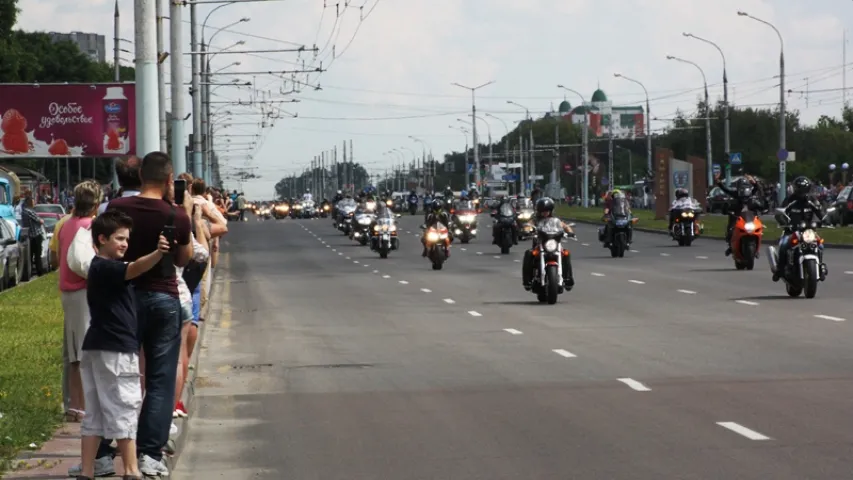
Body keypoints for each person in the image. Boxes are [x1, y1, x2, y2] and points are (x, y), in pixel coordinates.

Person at [107, 151, 192, 477]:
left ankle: (107, 449)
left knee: (118, 375)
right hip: (162, 298)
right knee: (159, 379)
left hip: (123, 299)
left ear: (140, 176)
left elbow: (104, 249)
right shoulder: (176, 215)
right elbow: (184, 260)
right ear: (170, 180)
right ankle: (149, 455)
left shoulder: (116, 209)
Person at [77, 210, 170, 480]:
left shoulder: (100, 268)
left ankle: (86, 471)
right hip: (115, 349)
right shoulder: (106, 267)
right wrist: (159, 253)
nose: (125, 244)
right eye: (119, 239)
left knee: (95, 414)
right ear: (102, 239)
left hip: (97, 346)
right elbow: (136, 268)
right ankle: (131, 471)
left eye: (127, 239)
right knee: (124, 408)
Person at [773, 176, 824, 282]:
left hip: (808, 231)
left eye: (805, 189)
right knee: (783, 246)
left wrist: (824, 220)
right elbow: (781, 212)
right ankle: (780, 270)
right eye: (800, 189)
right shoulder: (790, 200)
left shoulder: (812, 200)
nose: (802, 192)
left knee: (820, 245)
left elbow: (820, 213)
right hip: (791, 230)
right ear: (795, 188)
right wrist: (783, 222)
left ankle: (820, 268)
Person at [522, 197, 575, 290]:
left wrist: (570, 232)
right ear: (539, 211)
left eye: (547, 210)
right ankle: (527, 280)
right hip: (540, 244)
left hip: (554, 243)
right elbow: (528, 225)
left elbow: (565, 226)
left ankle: (568, 278)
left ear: (551, 210)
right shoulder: (535, 219)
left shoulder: (556, 220)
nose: (545, 213)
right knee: (529, 254)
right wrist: (527, 231)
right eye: (543, 211)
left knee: (566, 253)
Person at [715, 173, 764, 256]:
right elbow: (725, 190)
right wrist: (718, 182)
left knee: (759, 228)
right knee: (731, 227)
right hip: (738, 218)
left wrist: (754, 182)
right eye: (742, 187)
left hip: (750, 218)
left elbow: (757, 189)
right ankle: (731, 246)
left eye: (745, 186)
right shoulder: (735, 196)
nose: (744, 189)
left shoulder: (751, 198)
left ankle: (757, 246)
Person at [21, 196, 46, 276]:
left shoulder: (24, 211)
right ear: (29, 202)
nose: (34, 202)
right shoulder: (29, 211)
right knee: (37, 254)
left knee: (30, 256)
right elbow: (40, 221)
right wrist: (41, 220)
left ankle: (30, 272)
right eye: (33, 201)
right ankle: (40, 271)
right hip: (35, 235)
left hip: (29, 236)